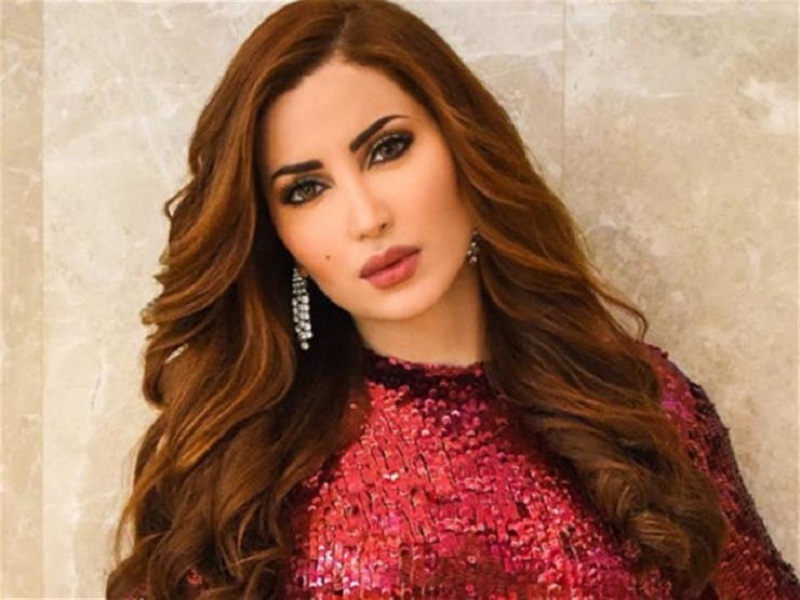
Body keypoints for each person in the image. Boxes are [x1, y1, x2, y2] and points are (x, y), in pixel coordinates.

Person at [106, 0, 800, 598]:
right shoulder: (244, 468)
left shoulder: (641, 403)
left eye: (387, 149)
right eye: (306, 189)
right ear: (276, 234)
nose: (366, 216)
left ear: (464, 144)